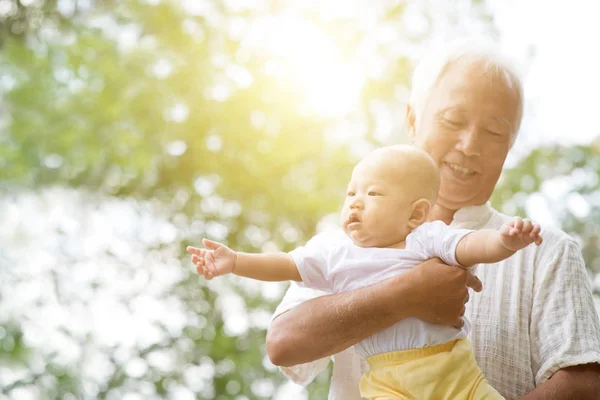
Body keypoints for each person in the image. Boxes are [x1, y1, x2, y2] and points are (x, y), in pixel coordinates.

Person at [265, 41, 600, 400]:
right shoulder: (346, 244)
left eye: (494, 132)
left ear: (510, 146)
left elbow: (583, 383)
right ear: (412, 120)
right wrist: (405, 295)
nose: (470, 144)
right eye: (453, 120)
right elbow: (284, 344)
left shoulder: (544, 249)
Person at [188, 145, 543, 399]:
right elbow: (285, 264)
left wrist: (505, 242)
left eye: (373, 193)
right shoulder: (334, 252)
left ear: (415, 214)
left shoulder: (423, 239)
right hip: (388, 381)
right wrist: (236, 261)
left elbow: (470, 246)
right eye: (351, 192)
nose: (355, 201)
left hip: (455, 372)